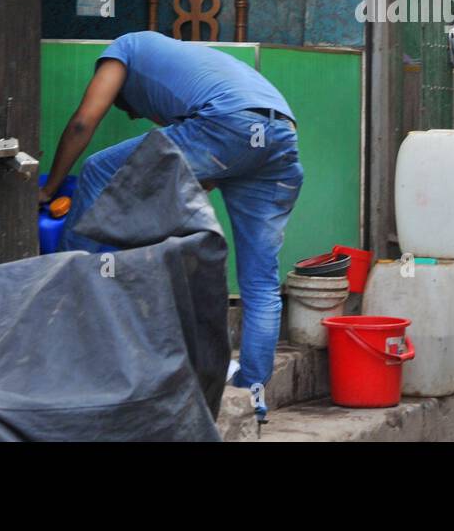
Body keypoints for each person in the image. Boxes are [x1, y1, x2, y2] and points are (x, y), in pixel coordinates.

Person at [40, 31, 304, 414]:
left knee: (98, 168)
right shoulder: (193, 69)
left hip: (232, 124)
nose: (142, 117)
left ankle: (69, 284)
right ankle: (252, 400)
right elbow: (196, 177)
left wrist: (49, 189)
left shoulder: (125, 48)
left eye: (131, 110)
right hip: (280, 136)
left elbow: (84, 122)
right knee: (261, 282)